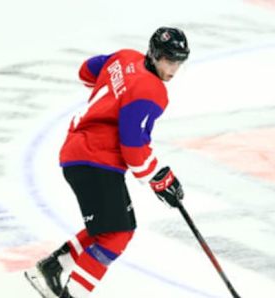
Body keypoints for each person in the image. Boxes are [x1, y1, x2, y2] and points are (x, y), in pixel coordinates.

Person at [25, 26, 189, 298]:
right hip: (94, 159)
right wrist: (158, 178)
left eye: (178, 62)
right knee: (117, 236)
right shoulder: (152, 91)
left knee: (115, 227)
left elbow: (87, 71)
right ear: (155, 54)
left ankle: (52, 268)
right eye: (168, 60)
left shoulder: (125, 57)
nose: (173, 68)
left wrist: (115, 91)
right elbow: (133, 147)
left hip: (81, 152)